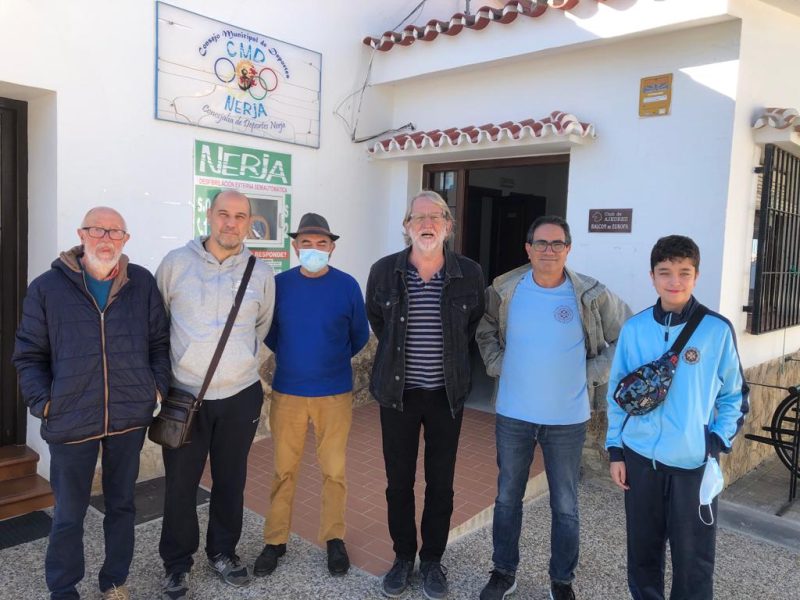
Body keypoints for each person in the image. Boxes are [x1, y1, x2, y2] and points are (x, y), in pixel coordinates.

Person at [13, 207, 171, 600]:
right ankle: (63, 588)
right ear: (81, 234)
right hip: (70, 420)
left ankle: (115, 583)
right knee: (69, 514)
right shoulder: (48, 287)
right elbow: (28, 354)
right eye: (97, 230)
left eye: (115, 232)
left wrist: (155, 390)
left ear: (126, 240)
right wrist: (45, 403)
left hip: (128, 418)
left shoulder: (142, 283)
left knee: (122, 507)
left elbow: (159, 344)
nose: (106, 238)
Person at [476, 215, 631, 600]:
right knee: (507, 497)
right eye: (541, 243)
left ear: (568, 248)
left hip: (567, 418)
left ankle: (561, 579)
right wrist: (497, 363)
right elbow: (485, 329)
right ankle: (503, 572)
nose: (549, 250)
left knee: (565, 503)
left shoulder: (591, 295)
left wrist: (591, 373)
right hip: (514, 414)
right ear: (527, 249)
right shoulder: (504, 289)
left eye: (557, 243)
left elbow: (627, 333)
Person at [605, 235, 748, 600]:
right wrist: (616, 451)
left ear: (696, 276)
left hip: (692, 463)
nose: (675, 281)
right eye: (665, 272)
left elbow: (735, 396)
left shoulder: (716, 330)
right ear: (652, 276)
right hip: (640, 459)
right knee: (642, 552)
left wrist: (713, 442)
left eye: (684, 272)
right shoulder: (635, 328)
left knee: (694, 559)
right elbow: (618, 393)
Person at [366, 191, 485, 599]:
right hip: (397, 395)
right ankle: (403, 557)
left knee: (441, 481)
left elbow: (469, 330)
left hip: (445, 397)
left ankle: (432, 560)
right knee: (398, 482)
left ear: (448, 226)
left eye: (436, 216)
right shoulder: (384, 272)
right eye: (418, 217)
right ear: (406, 226)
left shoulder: (469, 273)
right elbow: (379, 324)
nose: (426, 223)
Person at [157, 189, 275, 600]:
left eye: (240, 216)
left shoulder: (261, 273)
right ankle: (176, 563)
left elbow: (261, 328)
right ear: (209, 215)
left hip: (241, 395)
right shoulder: (175, 264)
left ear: (249, 223)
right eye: (223, 214)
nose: (231, 223)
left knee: (231, 480)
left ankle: (223, 551)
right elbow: (159, 327)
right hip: (185, 396)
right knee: (180, 485)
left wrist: (238, 363)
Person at [254, 213, 369, 577]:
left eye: (322, 244)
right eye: (307, 243)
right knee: (283, 470)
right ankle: (275, 540)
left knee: (333, 471)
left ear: (332, 248)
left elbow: (359, 336)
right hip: (288, 392)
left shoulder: (347, 286)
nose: (314, 250)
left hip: (334, 393)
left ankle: (334, 539)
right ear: (295, 246)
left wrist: (328, 360)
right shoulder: (280, 285)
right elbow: (270, 333)